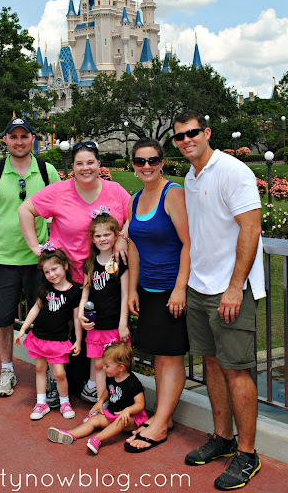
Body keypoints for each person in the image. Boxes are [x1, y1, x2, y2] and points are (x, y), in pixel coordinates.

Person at [172, 110, 265, 491]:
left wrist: (234, 286)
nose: (187, 140)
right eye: (179, 137)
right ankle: (222, 438)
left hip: (231, 291)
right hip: (200, 287)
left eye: (193, 133)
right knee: (211, 364)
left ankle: (247, 454)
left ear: (207, 132)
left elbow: (251, 227)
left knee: (236, 369)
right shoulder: (191, 178)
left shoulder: (232, 171)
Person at [18, 140, 130, 404]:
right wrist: (37, 248)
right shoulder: (59, 191)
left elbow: (134, 211)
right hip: (65, 280)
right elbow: (25, 210)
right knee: (60, 332)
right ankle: (57, 386)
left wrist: (123, 235)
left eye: (90, 162)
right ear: (72, 167)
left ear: (99, 165)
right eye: (79, 163)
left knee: (96, 332)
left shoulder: (114, 190)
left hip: (100, 279)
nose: (85, 168)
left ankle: (91, 385)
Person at [0, 118, 59, 397]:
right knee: (2, 318)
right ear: (6, 141)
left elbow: (60, 214)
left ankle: (49, 374)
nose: (19, 141)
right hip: (2, 259)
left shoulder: (47, 172)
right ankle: (7, 370)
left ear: (33, 139)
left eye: (25, 136)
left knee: (48, 318)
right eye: (14, 137)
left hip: (41, 262)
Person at [124, 137, 190, 453]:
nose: (147, 166)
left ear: (162, 162)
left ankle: (160, 423)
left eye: (153, 160)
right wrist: (132, 290)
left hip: (171, 289)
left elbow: (189, 244)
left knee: (171, 356)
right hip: (148, 290)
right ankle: (162, 416)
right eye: (140, 161)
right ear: (133, 165)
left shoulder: (172, 193)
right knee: (159, 356)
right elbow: (133, 248)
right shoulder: (134, 200)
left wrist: (179, 289)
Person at [14, 246, 81, 420]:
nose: (51, 274)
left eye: (54, 269)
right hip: (38, 337)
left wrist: (78, 340)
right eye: (47, 271)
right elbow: (36, 308)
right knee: (40, 369)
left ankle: (64, 401)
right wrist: (23, 329)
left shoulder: (74, 292)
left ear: (65, 266)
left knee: (59, 373)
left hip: (58, 340)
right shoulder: (45, 289)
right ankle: (41, 402)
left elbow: (76, 318)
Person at [47, 342, 148, 455]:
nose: (104, 368)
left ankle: (98, 439)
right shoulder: (111, 377)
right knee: (94, 420)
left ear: (121, 367)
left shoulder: (133, 383)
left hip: (131, 419)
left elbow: (140, 404)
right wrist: (100, 401)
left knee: (120, 421)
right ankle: (70, 434)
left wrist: (127, 411)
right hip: (113, 414)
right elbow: (108, 390)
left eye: (107, 366)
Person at [79, 212, 130, 402]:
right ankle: (102, 405)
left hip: (114, 326)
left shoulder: (120, 262)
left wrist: (123, 324)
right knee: (99, 365)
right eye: (98, 236)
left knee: (117, 366)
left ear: (116, 236)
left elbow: (125, 294)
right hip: (95, 326)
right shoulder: (90, 263)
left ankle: (119, 404)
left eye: (107, 235)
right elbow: (85, 291)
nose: (103, 239)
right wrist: (80, 316)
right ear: (92, 239)